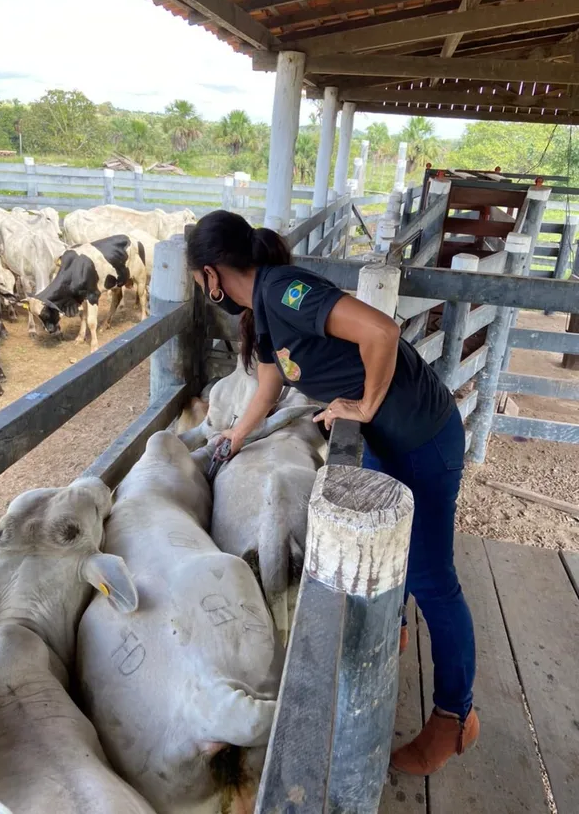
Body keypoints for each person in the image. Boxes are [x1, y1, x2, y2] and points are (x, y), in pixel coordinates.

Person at [187, 209, 478, 776]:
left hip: (421, 437)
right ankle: (387, 635)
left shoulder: (288, 291)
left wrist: (364, 405)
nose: (202, 291)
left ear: (212, 274)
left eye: (199, 282)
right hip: (384, 441)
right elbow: (271, 375)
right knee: (382, 554)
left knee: (431, 578)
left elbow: (382, 332)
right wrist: (237, 433)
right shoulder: (263, 306)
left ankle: (454, 718)